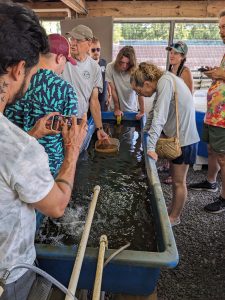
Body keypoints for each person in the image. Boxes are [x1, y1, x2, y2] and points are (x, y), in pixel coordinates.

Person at [0, 3, 87, 300]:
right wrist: (72, 150)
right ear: (17, 69)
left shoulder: (16, 143)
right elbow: (57, 205)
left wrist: (31, 132)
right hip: (7, 273)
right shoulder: (22, 150)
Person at [130, 62, 199, 226]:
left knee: (178, 181)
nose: (139, 93)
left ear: (146, 83)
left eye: (138, 90)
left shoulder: (165, 82)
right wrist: (145, 132)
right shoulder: (165, 81)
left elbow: (160, 117)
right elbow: (154, 111)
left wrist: (151, 147)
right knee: (176, 180)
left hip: (184, 141)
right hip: (179, 138)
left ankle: (175, 218)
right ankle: (173, 209)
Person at [5, 33, 78, 177]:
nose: (64, 67)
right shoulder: (66, 90)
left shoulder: (16, 80)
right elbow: (70, 135)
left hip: (12, 163)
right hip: (48, 169)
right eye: (66, 62)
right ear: (60, 58)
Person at [189, 10, 225, 214]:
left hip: (223, 118)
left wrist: (221, 74)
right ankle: (211, 181)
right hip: (215, 114)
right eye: (220, 27)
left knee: (223, 157)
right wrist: (216, 73)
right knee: (212, 150)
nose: (221, 31)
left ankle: (224, 198)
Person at [62, 24, 108, 141]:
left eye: (77, 40)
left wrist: (100, 128)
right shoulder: (61, 61)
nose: (72, 43)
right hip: (60, 122)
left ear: (89, 43)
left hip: (80, 123)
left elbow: (94, 101)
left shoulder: (94, 68)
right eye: (72, 39)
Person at [162, 41, 193, 184]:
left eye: (175, 53)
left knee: (177, 142)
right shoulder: (169, 69)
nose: (172, 55)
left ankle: (174, 174)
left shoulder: (185, 72)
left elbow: (188, 96)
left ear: (183, 56)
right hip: (170, 112)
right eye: (171, 52)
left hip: (180, 115)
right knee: (168, 139)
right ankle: (169, 166)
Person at [105, 46, 145, 119]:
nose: (124, 66)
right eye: (122, 62)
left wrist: (142, 111)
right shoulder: (110, 67)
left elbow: (140, 92)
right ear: (118, 60)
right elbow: (113, 90)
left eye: (128, 63)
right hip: (114, 109)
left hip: (131, 109)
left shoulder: (136, 70)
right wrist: (117, 108)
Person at [90, 36, 112, 111]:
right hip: (90, 102)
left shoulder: (104, 63)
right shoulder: (86, 65)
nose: (96, 52)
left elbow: (107, 80)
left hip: (103, 101)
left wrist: (110, 95)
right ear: (88, 50)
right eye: (93, 50)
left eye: (98, 49)